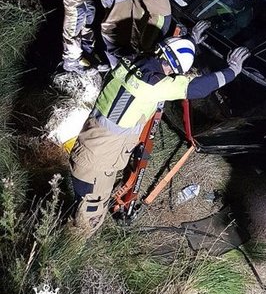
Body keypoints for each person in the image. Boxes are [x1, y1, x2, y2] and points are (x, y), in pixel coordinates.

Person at [70, 20, 250, 236]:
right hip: (96, 165)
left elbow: (168, 60)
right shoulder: (152, 86)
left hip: (89, 149)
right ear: (173, 71)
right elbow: (197, 87)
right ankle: (64, 257)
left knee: (81, 204)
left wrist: (189, 41)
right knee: (88, 220)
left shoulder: (132, 61)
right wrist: (232, 71)